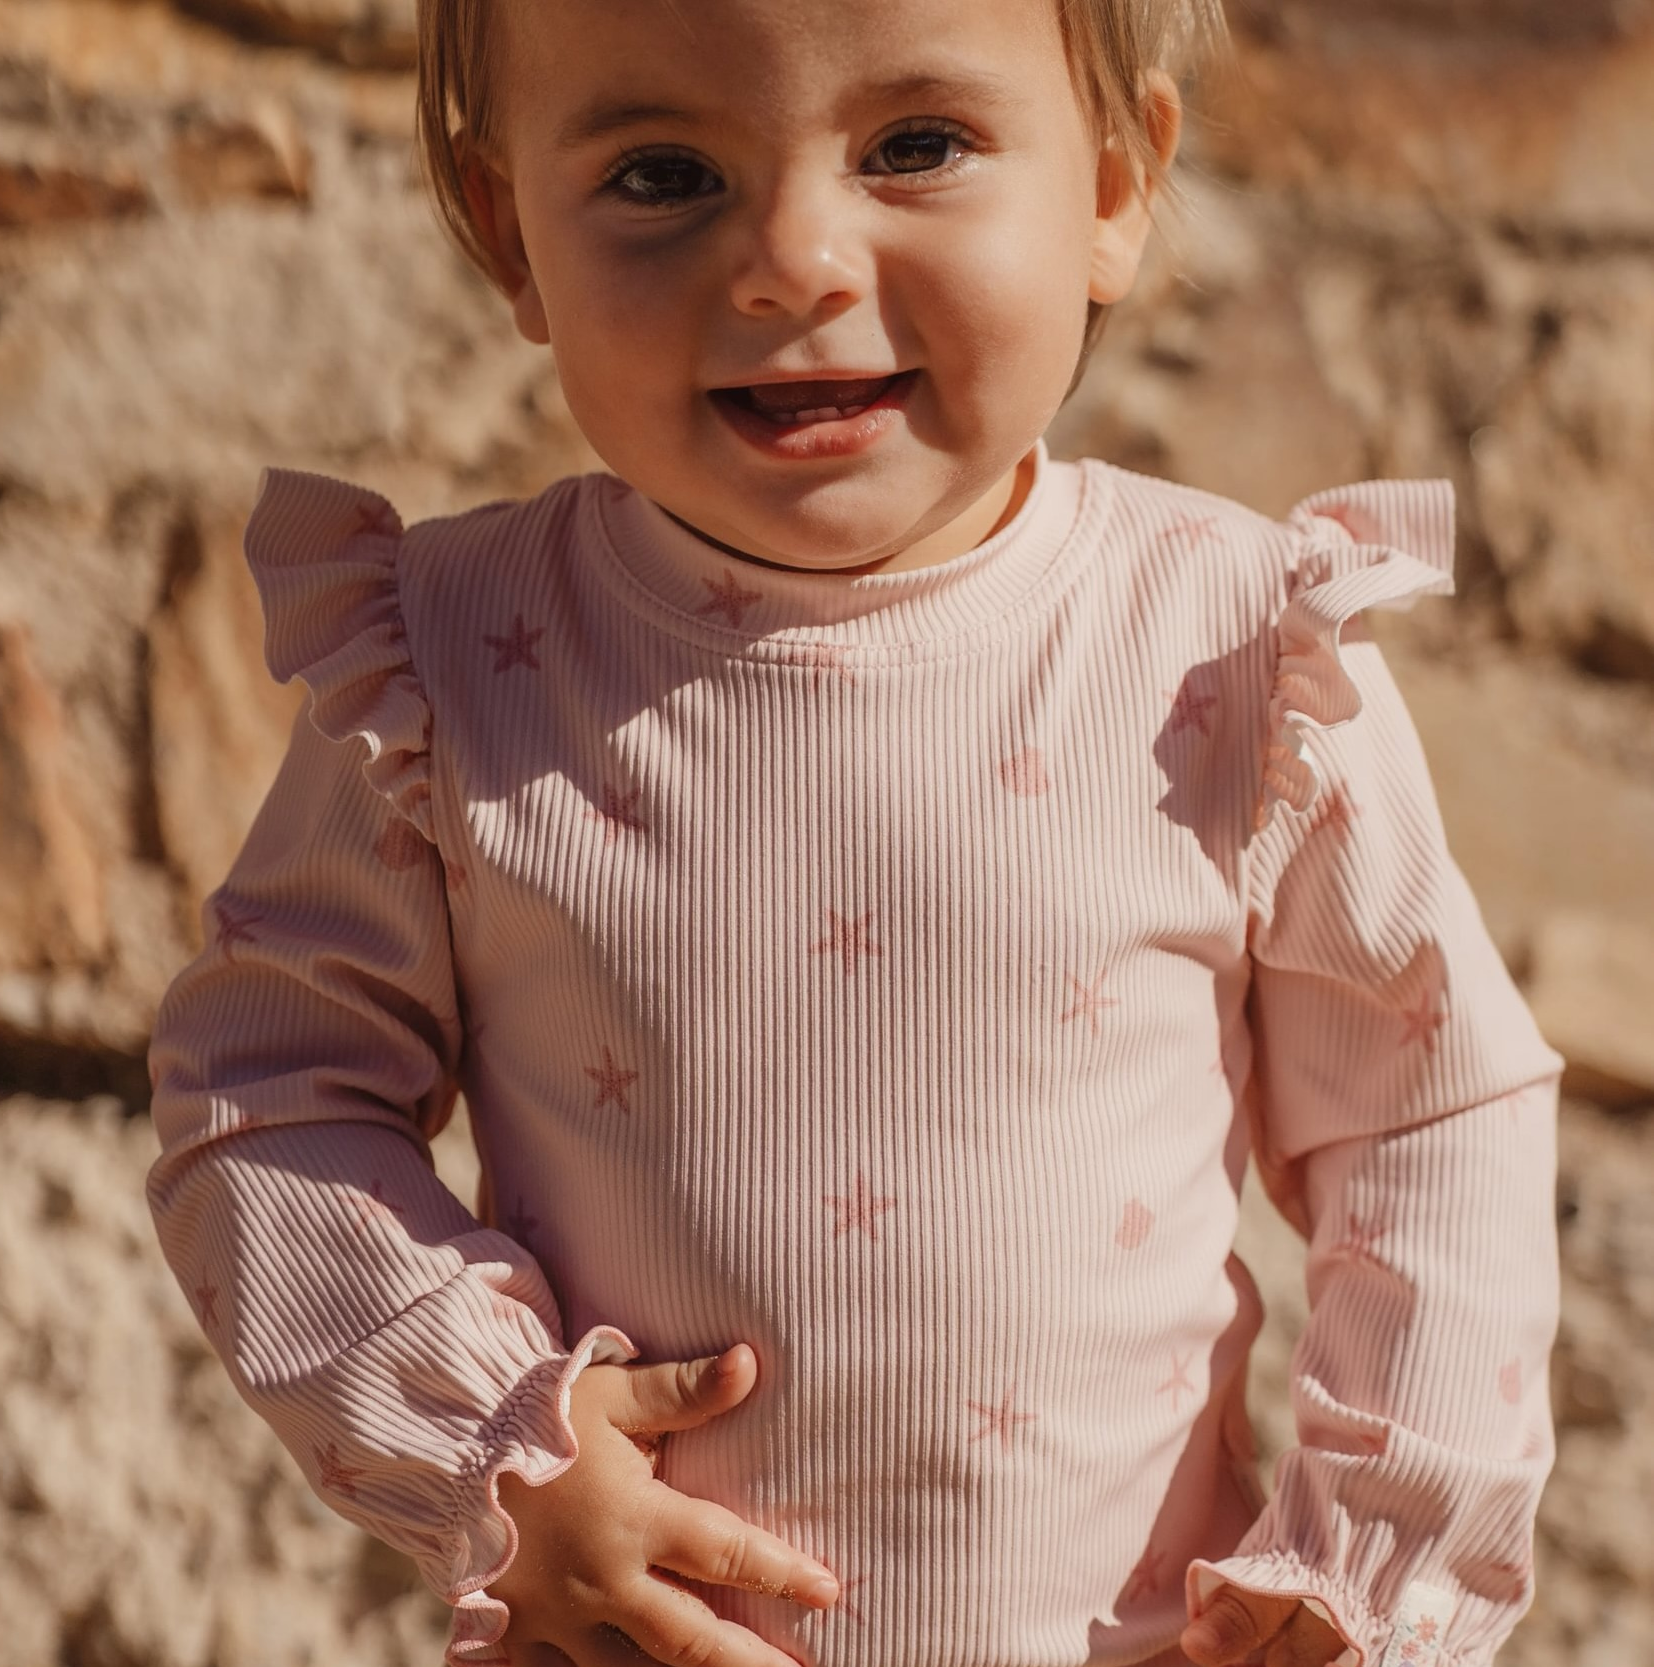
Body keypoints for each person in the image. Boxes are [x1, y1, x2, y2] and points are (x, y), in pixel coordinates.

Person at [143, 2, 1566, 1665]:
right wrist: (492, 1440)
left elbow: (1427, 1111)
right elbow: (266, 1093)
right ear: (507, 228)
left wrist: (1366, 1573)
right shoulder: (448, 667)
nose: (791, 264)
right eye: (664, 173)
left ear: (1113, 186)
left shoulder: (1234, 651)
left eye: (915, 147)